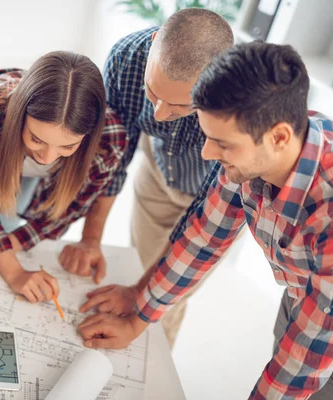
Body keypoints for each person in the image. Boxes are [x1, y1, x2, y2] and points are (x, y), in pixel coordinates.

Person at [77, 41, 333, 399]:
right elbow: (203, 239)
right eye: (208, 137)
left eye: (223, 144)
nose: (207, 153)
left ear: (279, 137)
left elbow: (303, 364)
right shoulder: (257, 147)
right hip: (302, 297)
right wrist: (138, 317)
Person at [59, 8, 234, 347]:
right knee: (138, 265)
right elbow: (114, 156)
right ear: (154, 45)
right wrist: (90, 239)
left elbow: (203, 224)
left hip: (215, 197)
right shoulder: (128, 57)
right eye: (152, 93)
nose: (159, 114)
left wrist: (142, 293)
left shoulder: (239, 108)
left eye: (180, 106)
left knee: (164, 298)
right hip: (158, 170)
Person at [0, 52, 127, 303]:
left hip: (39, 194)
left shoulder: (111, 141)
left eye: (67, 147)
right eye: (37, 139)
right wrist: (13, 270)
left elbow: (65, 211)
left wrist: (1, 249)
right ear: (19, 115)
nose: (46, 157)